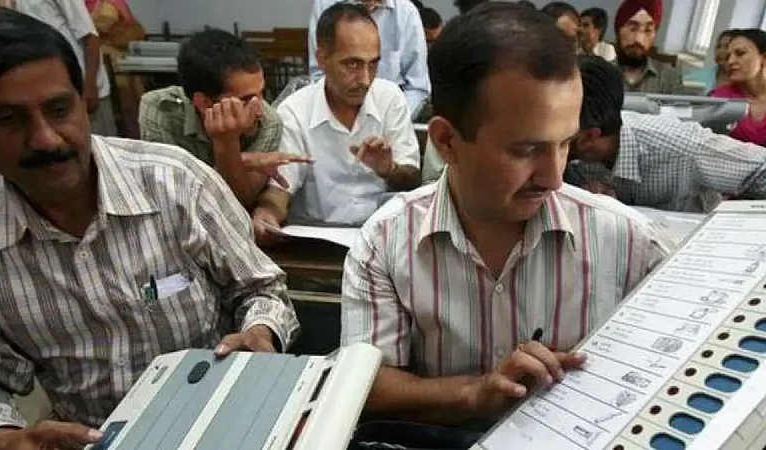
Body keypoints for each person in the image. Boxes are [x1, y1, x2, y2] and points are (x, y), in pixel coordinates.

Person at [0, 6, 299, 450]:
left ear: (84, 101)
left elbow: (262, 289)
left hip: (222, 417)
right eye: (9, 119)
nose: (46, 138)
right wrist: (0, 437)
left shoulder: (175, 181)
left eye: (59, 108)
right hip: (90, 436)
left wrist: (260, 335)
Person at [340, 3, 672, 428]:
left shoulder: (631, 244)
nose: (554, 177)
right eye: (525, 150)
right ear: (446, 141)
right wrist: (474, 393)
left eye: (565, 144)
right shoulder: (386, 242)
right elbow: (364, 387)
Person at [253, 3, 421, 242]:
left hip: (381, 243)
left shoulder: (389, 98)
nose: (365, 79)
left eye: (373, 64)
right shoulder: (296, 110)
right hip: (316, 248)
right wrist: (266, 213)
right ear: (322, 58)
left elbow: (413, 180)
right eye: (352, 64)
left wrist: (389, 170)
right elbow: (280, 189)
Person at [567, 55, 766, 213]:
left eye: (558, 138)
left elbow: (761, 169)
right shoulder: (584, 142)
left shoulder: (680, 147)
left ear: (588, 139)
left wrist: (736, 221)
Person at [139, 29, 311, 208]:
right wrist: (243, 160)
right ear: (204, 102)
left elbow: (239, 205)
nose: (259, 111)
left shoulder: (268, 122)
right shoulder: (161, 108)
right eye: (245, 100)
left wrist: (227, 146)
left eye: (261, 94)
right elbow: (168, 197)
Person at [308, 0, 431, 119]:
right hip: (335, 114)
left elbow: (417, 86)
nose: (365, 80)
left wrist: (393, 120)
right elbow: (318, 74)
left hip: (391, 115)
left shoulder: (406, 12)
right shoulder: (325, 4)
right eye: (352, 64)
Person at [10, 0, 117, 137]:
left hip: (84, 87)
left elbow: (91, 37)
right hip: (53, 90)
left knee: (99, 149)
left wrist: (90, 86)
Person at [710, 29, 766, 146]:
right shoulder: (720, 99)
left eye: (740, 53)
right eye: (728, 56)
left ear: (763, 58)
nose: (730, 61)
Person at [614, 0, 683, 94]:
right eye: (632, 29)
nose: (639, 39)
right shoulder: (598, 74)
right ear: (618, 31)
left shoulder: (670, 78)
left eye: (648, 30)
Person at [684, 29, 735, 94]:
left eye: (727, 47)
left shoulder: (746, 83)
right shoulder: (698, 77)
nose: (721, 51)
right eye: (718, 47)